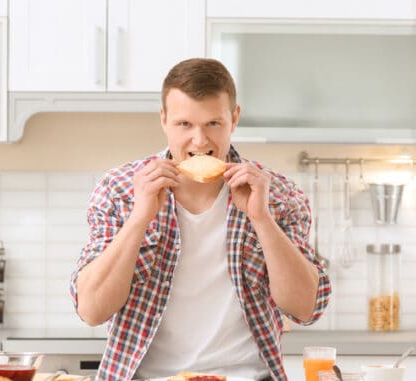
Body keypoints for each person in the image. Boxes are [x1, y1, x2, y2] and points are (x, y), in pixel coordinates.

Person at [70, 58, 331, 381]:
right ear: (163, 120)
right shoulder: (119, 190)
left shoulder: (277, 194)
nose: (200, 141)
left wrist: (262, 219)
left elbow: (306, 308)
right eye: (184, 125)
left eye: (213, 124)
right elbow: (92, 310)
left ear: (234, 119)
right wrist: (139, 219)